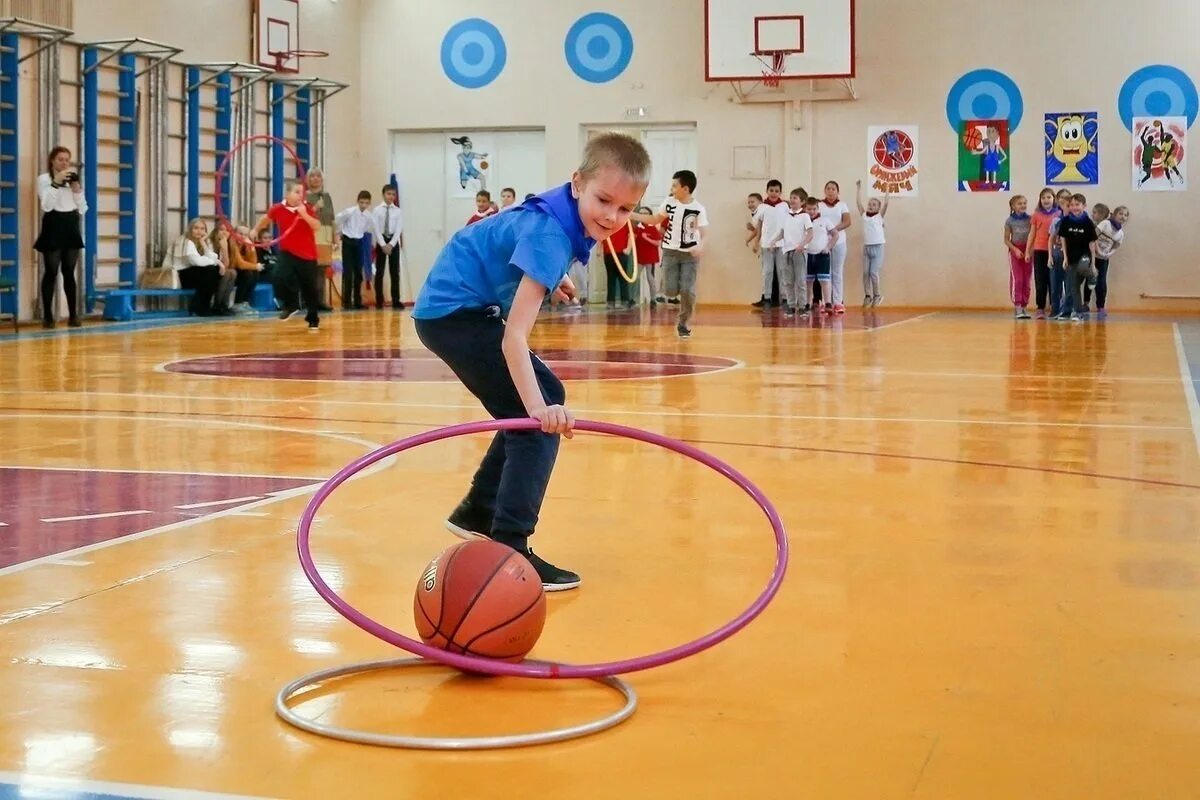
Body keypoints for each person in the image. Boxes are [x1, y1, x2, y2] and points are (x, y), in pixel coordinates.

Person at [412, 132, 651, 591]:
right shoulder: (550, 235)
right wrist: (539, 411)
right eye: (604, 200)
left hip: (458, 306)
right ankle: (510, 544)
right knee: (536, 413)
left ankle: (478, 512)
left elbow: (513, 234)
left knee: (534, 404)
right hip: (454, 315)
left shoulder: (560, 210)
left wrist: (552, 276)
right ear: (578, 183)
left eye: (625, 209)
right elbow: (514, 337)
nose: (612, 216)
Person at [632, 170, 707, 338]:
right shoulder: (669, 203)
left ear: (685, 189)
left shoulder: (698, 209)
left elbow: (704, 232)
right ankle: (676, 289)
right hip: (670, 252)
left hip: (689, 254)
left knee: (687, 289)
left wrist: (701, 246)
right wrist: (631, 215)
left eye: (675, 185)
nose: (671, 188)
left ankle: (683, 323)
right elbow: (655, 220)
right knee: (670, 290)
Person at [253, 179, 323, 331]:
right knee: (279, 276)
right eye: (296, 192)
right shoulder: (278, 208)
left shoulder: (307, 208)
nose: (300, 195)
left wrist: (304, 214)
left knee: (309, 288)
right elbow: (265, 219)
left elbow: (317, 226)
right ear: (287, 194)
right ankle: (291, 304)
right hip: (287, 251)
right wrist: (255, 230)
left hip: (307, 254)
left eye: (302, 193)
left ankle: (313, 317)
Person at [34, 146, 87, 328]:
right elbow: (46, 205)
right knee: (51, 271)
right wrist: (55, 183)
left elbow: (83, 208)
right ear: (52, 161)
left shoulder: (73, 178)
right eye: (60, 159)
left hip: (70, 223)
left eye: (67, 159)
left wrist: (77, 190)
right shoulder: (44, 179)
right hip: (53, 223)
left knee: (69, 272)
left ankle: (73, 315)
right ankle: (48, 316)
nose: (64, 163)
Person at [1003, 194, 1032, 319]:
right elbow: (1006, 239)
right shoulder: (1009, 221)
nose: (1023, 205)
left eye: (1024, 203)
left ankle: (1025, 306)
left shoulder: (1030, 219)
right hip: (1015, 251)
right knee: (1018, 279)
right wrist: (1015, 250)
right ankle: (1018, 306)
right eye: (1020, 203)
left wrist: (1028, 251)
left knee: (1027, 279)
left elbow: (1032, 236)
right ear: (1013, 206)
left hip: (1028, 251)